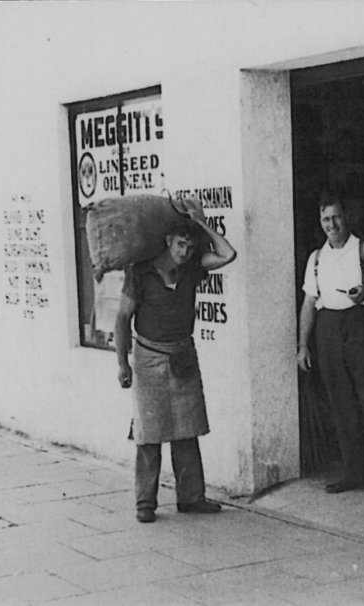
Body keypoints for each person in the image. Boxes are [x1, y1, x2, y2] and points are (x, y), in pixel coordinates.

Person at [115, 199, 237, 523]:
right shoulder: (140, 272)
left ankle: (192, 498)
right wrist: (122, 363)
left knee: (187, 429)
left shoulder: (193, 267)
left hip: (183, 354)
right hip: (148, 358)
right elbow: (122, 318)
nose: (185, 251)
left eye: (190, 245)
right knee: (148, 434)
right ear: (168, 241)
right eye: (181, 244)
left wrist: (203, 222)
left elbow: (228, 254)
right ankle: (145, 503)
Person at [296, 195, 364, 501]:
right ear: (321, 222)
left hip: (361, 324)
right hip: (328, 329)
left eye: (337, 218)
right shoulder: (316, 258)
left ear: (346, 217)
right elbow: (308, 304)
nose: (332, 225)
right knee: (340, 403)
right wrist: (303, 345)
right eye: (326, 219)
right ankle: (353, 472)